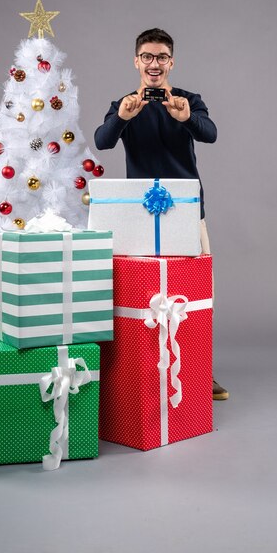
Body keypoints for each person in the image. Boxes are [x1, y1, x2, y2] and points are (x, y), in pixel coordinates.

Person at [94, 27, 228, 400]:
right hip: (138, 214)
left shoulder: (188, 100)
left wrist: (185, 117)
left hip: (187, 208)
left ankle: (200, 371)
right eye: (148, 57)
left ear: (172, 62)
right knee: (139, 292)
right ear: (136, 61)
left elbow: (211, 133)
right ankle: (139, 372)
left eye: (162, 57)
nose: (155, 65)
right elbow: (102, 141)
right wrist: (121, 117)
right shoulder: (124, 104)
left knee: (198, 291)